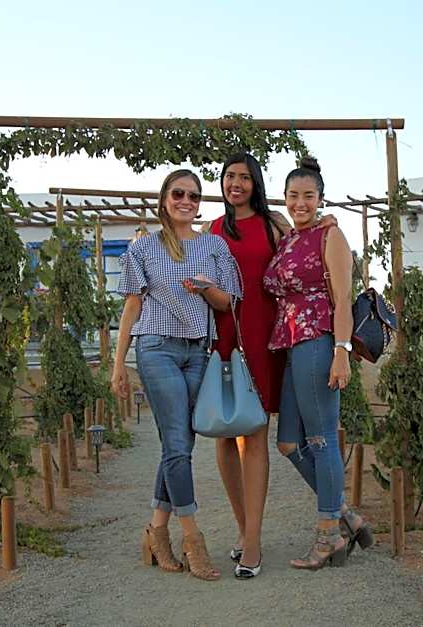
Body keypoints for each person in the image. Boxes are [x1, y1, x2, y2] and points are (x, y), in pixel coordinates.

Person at [112, 169, 242, 582]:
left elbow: (227, 303)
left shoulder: (214, 246)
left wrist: (205, 287)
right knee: (177, 446)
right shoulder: (144, 248)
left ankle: (156, 531)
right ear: (164, 200)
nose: (186, 200)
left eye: (193, 195)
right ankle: (193, 538)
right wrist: (118, 364)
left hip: (197, 352)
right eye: (178, 193)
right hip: (156, 349)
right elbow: (132, 307)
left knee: (179, 444)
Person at [263, 157, 374, 570]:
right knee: (288, 442)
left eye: (308, 196)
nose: (301, 203)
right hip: (291, 344)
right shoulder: (290, 237)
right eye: (293, 195)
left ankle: (329, 534)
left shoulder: (332, 236)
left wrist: (341, 351)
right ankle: (345, 513)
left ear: (320, 197)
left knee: (322, 439)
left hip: (319, 340)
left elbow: (343, 298)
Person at [207, 153, 288, 579]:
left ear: (255, 183)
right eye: (228, 176)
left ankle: (253, 541)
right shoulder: (213, 229)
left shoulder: (275, 224)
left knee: (254, 435)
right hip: (222, 336)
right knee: (223, 437)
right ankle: (243, 529)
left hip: (263, 336)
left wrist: (328, 225)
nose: (235, 183)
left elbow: (304, 250)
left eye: (243, 177)